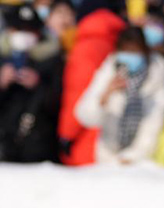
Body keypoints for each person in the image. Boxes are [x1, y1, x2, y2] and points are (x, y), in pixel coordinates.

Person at [0, 4, 64, 163]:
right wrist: (0, 84)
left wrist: (39, 86)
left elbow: (58, 103)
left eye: (30, 31)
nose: (24, 35)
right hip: (0, 143)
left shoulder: (52, 60)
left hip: (40, 147)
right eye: (18, 30)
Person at [75, 26, 164, 164]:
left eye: (134, 51)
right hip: (107, 153)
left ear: (144, 51)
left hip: (142, 157)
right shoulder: (111, 68)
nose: (129, 55)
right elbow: (85, 117)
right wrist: (105, 95)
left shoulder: (157, 71)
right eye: (125, 50)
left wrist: (135, 154)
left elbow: (155, 119)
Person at [58, 0, 126, 166]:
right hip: (117, 138)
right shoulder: (121, 40)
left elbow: (77, 93)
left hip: (88, 139)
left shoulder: (86, 47)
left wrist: (67, 135)